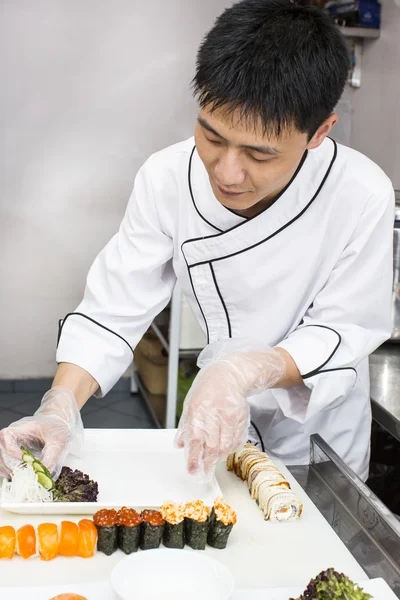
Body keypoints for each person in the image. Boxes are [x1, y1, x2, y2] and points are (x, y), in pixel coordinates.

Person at [0, 0, 394, 482]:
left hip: (319, 435)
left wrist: (242, 372)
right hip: (212, 433)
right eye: (211, 136)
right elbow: (114, 309)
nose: (227, 172)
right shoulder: (166, 177)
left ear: (320, 132)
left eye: (259, 154)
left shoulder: (359, 192)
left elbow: (345, 328)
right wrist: (59, 404)